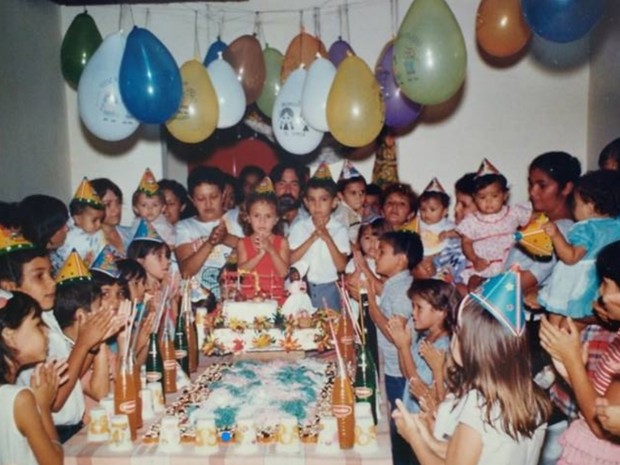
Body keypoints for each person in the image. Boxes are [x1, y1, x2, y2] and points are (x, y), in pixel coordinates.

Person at [393, 270, 551, 465]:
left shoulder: (479, 404)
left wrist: (413, 437)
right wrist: (425, 434)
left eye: (458, 332)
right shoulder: (532, 395)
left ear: (475, 346)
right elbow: (464, 454)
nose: (453, 337)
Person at [539, 239, 620, 464]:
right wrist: (570, 373)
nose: (600, 293)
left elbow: (602, 425)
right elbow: (602, 399)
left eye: (605, 283)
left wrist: (574, 361)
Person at [365, 230, 423, 465]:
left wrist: (371, 305)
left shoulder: (402, 290)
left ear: (401, 259)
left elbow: (393, 334)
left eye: (382, 252)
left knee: (401, 425)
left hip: (399, 371)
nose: (376, 255)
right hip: (390, 365)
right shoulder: (395, 283)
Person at [538, 170, 620, 324]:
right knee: (577, 322)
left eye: (575, 204)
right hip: (596, 282)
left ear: (589, 206)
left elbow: (571, 257)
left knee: (555, 323)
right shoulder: (616, 224)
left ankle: (552, 344)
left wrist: (555, 235)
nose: (573, 208)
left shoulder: (586, 228)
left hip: (573, 281)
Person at [0, 290, 65, 465]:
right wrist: (43, 406)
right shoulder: (20, 399)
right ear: (9, 335)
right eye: (38, 324)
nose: (47, 332)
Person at [456, 159, 532, 291]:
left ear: (505, 195)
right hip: (483, 263)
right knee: (475, 284)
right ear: (475, 198)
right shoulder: (472, 220)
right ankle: (477, 299)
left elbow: (533, 219)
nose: (489, 202)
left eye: (494, 196)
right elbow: (466, 242)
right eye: (482, 197)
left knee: (514, 282)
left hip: (509, 261)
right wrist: (474, 259)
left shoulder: (514, 212)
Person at [387, 279, 458, 416]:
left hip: (426, 417)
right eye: (413, 307)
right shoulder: (426, 337)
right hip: (412, 410)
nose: (413, 313)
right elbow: (407, 374)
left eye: (419, 308)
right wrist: (401, 346)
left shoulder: (443, 346)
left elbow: (419, 386)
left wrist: (405, 348)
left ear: (441, 312)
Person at [289, 163, 350, 311]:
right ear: (305, 202)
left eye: (323, 200)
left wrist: (327, 238)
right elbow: (290, 259)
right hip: (303, 288)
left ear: (334, 202)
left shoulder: (339, 230)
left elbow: (341, 266)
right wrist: (313, 238)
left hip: (329, 289)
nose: (317, 206)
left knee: (330, 329)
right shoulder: (299, 227)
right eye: (312, 200)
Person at [175, 166, 237, 301]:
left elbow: (253, 250)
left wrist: (226, 238)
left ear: (224, 194)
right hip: (200, 304)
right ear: (191, 199)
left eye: (214, 197)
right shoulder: (184, 227)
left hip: (236, 302)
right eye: (201, 199)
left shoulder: (238, 218)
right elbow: (186, 271)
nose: (208, 204)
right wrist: (210, 242)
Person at [236, 177, 289, 303]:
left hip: (276, 299)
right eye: (256, 216)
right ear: (248, 218)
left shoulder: (282, 243)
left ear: (276, 219)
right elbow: (241, 272)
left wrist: (271, 250)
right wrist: (259, 255)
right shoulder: (243, 243)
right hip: (249, 299)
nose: (262, 221)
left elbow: (283, 273)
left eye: (268, 216)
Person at [52, 177, 106, 272]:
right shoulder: (67, 237)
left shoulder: (98, 234)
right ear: (77, 218)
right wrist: (85, 262)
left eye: (100, 220)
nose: (98, 225)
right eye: (94, 220)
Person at [130, 169, 176, 249]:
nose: (150, 209)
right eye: (144, 205)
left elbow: (172, 245)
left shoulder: (165, 226)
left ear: (163, 208)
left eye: (155, 205)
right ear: (136, 208)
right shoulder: (136, 224)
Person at [91, 178, 133, 254]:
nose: (116, 209)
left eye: (118, 202)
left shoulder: (131, 234)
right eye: (107, 204)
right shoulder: (89, 242)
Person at [269, 160, 309, 237]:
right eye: (282, 184)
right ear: (273, 188)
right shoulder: (263, 220)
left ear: (301, 190)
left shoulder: (310, 221)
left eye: (294, 184)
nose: (288, 190)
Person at [417, 178, 454, 258]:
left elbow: (460, 232)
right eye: (423, 209)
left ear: (444, 211)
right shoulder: (417, 222)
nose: (426, 213)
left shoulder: (448, 225)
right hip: (418, 255)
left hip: (439, 256)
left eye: (432, 209)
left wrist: (448, 234)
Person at [334, 160, 367, 244]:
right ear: (340, 195)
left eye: (362, 192)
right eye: (353, 193)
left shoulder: (354, 212)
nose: (359, 197)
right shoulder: (341, 214)